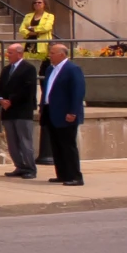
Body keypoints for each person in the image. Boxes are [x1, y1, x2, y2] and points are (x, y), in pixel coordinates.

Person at [0, 42, 42, 179]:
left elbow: (27, 89)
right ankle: (20, 166)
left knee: (24, 140)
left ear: (19, 54)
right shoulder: (6, 69)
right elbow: (0, 87)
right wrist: (0, 99)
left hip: (22, 110)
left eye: (10, 53)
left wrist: (11, 101)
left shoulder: (28, 69)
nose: (8, 55)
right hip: (8, 111)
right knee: (12, 141)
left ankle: (30, 168)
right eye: (8, 52)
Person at [44, 41, 86, 186]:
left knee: (68, 145)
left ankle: (75, 176)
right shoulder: (50, 69)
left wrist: (73, 112)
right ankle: (62, 174)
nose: (50, 55)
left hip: (66, 114)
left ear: (62, 54)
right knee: (56, 146)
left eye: (52, 53)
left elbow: (78, 92)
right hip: (51, 112)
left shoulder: (72, 69)